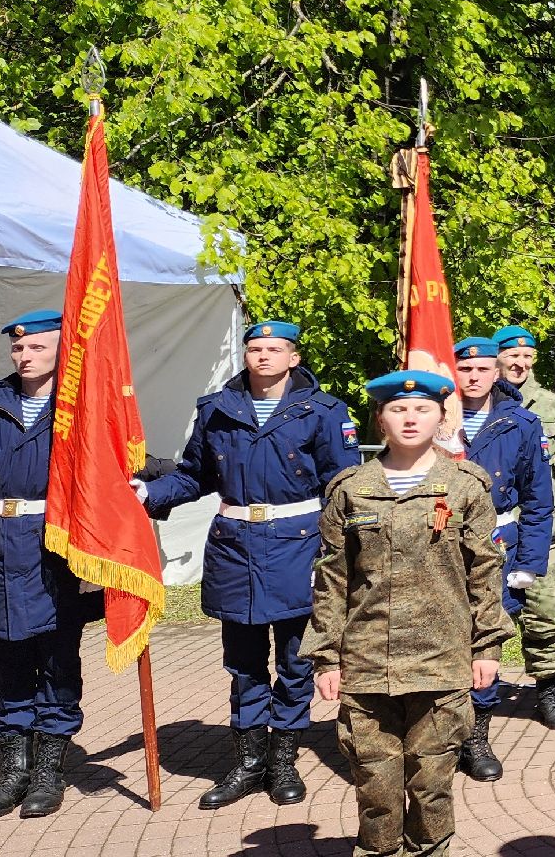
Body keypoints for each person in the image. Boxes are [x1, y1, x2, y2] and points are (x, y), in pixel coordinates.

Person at [142, 319, 360, 809]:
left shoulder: (323, 412)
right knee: (243, 665)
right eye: (254, 348)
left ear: (294, 358)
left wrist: (342, 554)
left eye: (274, 349)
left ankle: (283, 759)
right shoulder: (218, 409)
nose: (262, 356)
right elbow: (194, 475)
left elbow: (341, 487)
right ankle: (247, 762)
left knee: (295, 660)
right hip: (234, 547)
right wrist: (149, 492)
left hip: (297, 546)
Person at [305, 370, 507, 857]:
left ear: (441, 417)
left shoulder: (464, 487)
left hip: (443, 659)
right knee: (375, 786)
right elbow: (332, 580)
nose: (410, 417)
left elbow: (485, 572)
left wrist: (488, 646)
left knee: (432, 782)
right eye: (398, 409)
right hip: (367, 662)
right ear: (380, 419)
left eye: (422, 409)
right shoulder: (351, 489)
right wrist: (326, 657)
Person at [0, 311, 101, 820]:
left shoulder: (83, 412)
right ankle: (13, 773)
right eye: (18, 349)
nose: (24, 357)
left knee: (56, 663)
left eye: (37, 349)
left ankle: (49, 773)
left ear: (62, 353)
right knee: (7, 663)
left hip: (55, 552)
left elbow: (120, 469)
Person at [449, 337, 555, 780]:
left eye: (482, 370)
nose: (473, 377)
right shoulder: (433, 419)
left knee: (484, 642)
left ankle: (476, 736)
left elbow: (538, 498)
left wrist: (530, 563)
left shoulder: (522, 423)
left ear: (496, 373)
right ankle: (438, 736)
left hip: (496, 547)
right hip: (437, 548)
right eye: (465, 370)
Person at [490, 324, 555, 730]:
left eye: (528, 356)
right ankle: (480, 696)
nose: (520, 363)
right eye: (513, 355)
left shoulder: (549, 406)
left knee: (546, 610)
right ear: (495, 357)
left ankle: (547, 690)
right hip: (490, 532)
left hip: (540, 528)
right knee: (486, 616)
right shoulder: (473, 403)